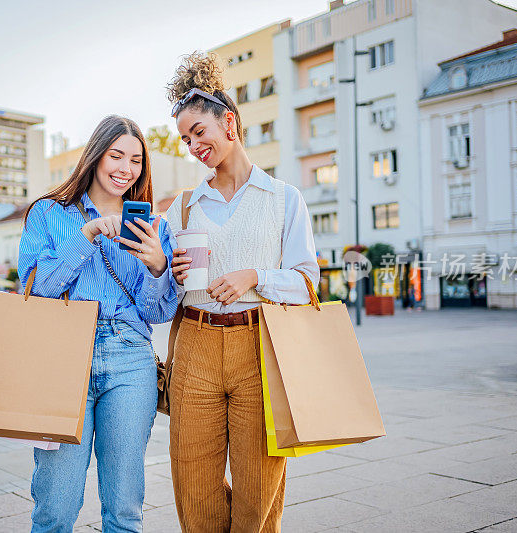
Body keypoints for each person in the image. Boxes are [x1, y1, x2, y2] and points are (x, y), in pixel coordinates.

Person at [165, 52, 320, 532]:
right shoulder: (186, 205)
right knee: (194, 481)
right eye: (186, 138)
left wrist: (256, 276)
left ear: (228, 122)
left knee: (259, 482)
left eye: (199, 132)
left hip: (259, 346)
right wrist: (168, 272)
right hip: (195, 346)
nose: (193, 145)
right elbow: (157, 288)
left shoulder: (284, 200)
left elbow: (307, 284)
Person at [18, 115, 178, 532]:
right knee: (55, 504)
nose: (126, 168)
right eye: (117, 155)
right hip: (62, 358)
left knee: (124, 508)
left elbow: (158, 313)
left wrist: (159, 266)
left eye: (137, 160)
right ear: (95, 155)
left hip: (130, 360)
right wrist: (85, 236)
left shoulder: (152, 224)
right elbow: (37, 291)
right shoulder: (48, 213)